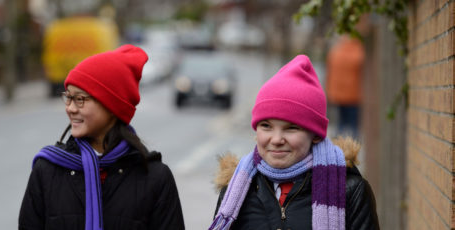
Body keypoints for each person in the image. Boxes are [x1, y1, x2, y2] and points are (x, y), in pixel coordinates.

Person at [19, 44, 185, 230]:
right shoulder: (47, 170)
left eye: (80, 99)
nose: (70, 108)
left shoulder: (155, 178)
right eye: (68, 97)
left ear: (112, 106)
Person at [209, 55, 379, 230]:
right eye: (266, 126)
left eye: (291, 128)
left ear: (316, 134)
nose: (276, 140)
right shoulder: (236, 191)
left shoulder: (350, 191)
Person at [326, 35, 366, 138]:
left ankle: (338, 147)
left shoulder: (335, 52)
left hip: (338, 95)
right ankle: (354, 148)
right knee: (353, 125)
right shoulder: (358, 51)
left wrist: (330, 92)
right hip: (353, 95)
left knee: (341, 123)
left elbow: (330, 74)